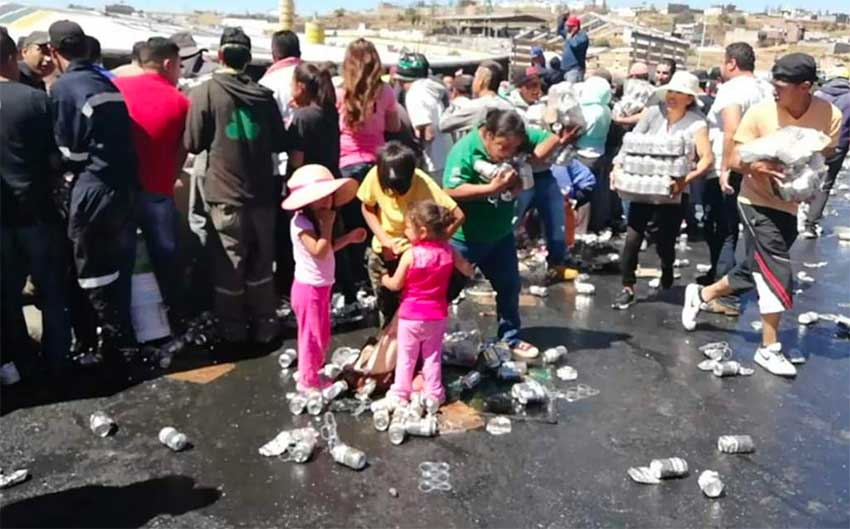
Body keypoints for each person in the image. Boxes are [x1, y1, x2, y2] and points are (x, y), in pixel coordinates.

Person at [682, 53, 841, 377]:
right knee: (777, 267)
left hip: (791, 203)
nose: (774, 90)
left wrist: (803, 168)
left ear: (805, 87)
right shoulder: (761, 112)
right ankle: (769, 348)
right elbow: (736, 158)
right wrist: (758, 166)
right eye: (773, 83)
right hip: (755, 200)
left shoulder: (829, 114)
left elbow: (826, 153)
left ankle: (702, 294)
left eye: (781, 85)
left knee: (757, 267)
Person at [183, 27, 290, 344]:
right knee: (261, 263)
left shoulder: (205, 93)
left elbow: (192, 142)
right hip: (262, 195)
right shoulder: (263, 96)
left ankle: (232, 330)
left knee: (229, 264)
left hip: (225, 196)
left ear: (219, 56)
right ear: (247, 60)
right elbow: (279, 141)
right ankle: (265, 325)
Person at [443, 108, 578, 359]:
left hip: (501, 234)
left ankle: (510, 337)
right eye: (503, 148)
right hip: (466, 237)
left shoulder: (516, 142)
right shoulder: (466, 150)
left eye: (515, 148)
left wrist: (526, 160)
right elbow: (450, 190)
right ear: (488, 134)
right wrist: (491, 188)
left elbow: (548, 138)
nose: (509, 154)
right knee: (446, 290)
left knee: (509, 286)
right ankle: (431, 339)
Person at [48, 20, 140, 360]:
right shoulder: (105, 82)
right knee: (116, 263)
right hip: (122, 187)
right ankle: (123, 335)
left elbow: (72, 151)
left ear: (54, 52)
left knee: (91, 267)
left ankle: (106, 343)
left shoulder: (64, 87)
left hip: (92, 188)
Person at [0, 27, 71, 382]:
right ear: (13, 57)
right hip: (38, 213)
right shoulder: (35, 101)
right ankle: (58, 359)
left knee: (7, 293)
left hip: (3, 218)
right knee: (52, 289)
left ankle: (20, 358)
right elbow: (56, 157)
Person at [611, 71, 714, 310]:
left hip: (673, 194)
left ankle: (667, 266)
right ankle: (628, 286)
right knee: (632, 238)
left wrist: (685, 180)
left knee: (665, 241)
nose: (672, 96)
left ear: (690, 98)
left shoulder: (697, 123)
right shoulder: (652, 114)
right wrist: (616, 167)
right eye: (671, 91)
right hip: (642, 187)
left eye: (679, 93)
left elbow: (706, 159)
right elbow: (630, 144)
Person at [114, 37, 190, 318]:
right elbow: (183, 148)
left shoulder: (116, 89)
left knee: (123, 258)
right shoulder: (180, 101)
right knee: (166, 257)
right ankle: (173, 314)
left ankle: (125, 320)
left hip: (120, 190)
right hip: (159, 189)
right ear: (168, 64)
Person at [701, 42, 773, 316]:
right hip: (756, 167)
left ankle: (725, 295)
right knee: (735, 229)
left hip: (732, 166)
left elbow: (731, 130)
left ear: (731, 63)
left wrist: (724, 169)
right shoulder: (764, 89)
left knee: (722, 228)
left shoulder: (732, 89)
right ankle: (718, 279)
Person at [358, 141, 464, 327]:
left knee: (410, 314)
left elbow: (458, 215)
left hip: (415, 258)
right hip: (384, 252)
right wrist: (385, 240)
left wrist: (429, 246)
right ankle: (390, 351)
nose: (395, 195)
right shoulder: (375, 175)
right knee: (387, 311)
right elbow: (367, 207)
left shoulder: (422, 182)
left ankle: (414, 350)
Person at [281, 165, 366, 392]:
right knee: (311, 334)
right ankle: (308, 380)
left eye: (328, 197)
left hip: (321, 286)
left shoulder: (314, 223)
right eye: (319, 199)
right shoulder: (302, 224)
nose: (325, 203)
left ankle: (314, 367)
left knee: (321, 330)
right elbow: (319, 250)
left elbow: (327, 250)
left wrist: (348, 238)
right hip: (308, 288)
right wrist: (327, 226)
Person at [381, 201, 474, 406]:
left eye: (408, 227)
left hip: (410, 315)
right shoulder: (448, 251)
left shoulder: (410, 255)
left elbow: (396, 284)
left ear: (422, 231)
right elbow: (466, 269)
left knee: (406, 356)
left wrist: (384, 279)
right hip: (437, 315)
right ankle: (434, 393)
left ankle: (400, 393)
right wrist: (468, 271)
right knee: (432, 356)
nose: (404, 231)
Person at [335, 38, 400, 307]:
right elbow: (394, 126)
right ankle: (377, 283)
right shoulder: (385, 92)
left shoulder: (339, 91)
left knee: (349, 231)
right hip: (377, 167)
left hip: (346, 166)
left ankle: (351, 291)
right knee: (377, 228)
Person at [509, 66, 579, 282]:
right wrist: (557, 141)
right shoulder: (512, 111)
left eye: (538, 85)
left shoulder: (544, 107)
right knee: (511, 221)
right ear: (519, 87)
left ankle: (556, 264)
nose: (536, 90)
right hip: (520, 175)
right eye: (531, 86)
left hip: (544, 173)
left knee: (555, 218)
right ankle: (499, 265)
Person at [803, 68, 850, 239]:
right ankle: (810, 224)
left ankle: (795, 214)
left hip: (813, 144)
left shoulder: (819, 95)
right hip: (838, 146)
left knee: (805, 178)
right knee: (826, 185)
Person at [396, 52, 452, 182]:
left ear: (400, 79)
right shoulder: (430, 88)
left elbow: (428, 132)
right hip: (446, 153)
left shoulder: (415, 94)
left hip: (434, 161)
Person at [260, 29, 302, 176]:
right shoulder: (315, 77)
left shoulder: (266, 83)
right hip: (313, 165)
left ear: (274, 55)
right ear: (299, 52)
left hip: (278, 164)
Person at [577, 76, 614, 235]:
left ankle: (581, 228)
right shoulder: (605, 109)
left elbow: (579, 132)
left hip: (583, 154)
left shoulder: (589, 111)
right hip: (600, 153)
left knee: (583, 193)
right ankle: (597, 223)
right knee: (598, 192)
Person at [439, 60, 514, 136]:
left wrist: (453, 104)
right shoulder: (509, 106)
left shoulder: (477, 106)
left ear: (481, 80)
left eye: (475, 76)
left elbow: (444, 124)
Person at [556, 14, 588, 83]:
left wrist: (569, 37)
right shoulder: (569, 34)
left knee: (572, 91)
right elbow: (559, 30)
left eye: (569, 27)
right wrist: (562, 19)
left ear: (575, 27)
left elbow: (575, 45)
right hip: (565, 70)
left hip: (575, 70)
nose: (567, 28)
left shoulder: (582, 36)